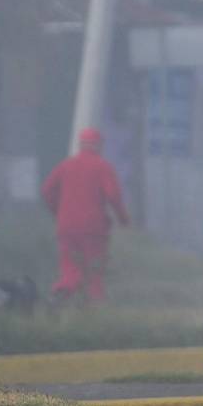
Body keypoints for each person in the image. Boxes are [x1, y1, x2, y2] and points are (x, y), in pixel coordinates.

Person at [42, 127, 130, 304]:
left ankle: (60, 293)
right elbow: (113, 195)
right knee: (93, 270)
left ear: (80, 145)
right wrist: (123, 219)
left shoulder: (65, 166)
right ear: (99, 146)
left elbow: (46, 190)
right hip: (93, 229)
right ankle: (94, 308)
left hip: (66, 228)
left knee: (70, 268)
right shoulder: (102, 167)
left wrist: (57, 212)